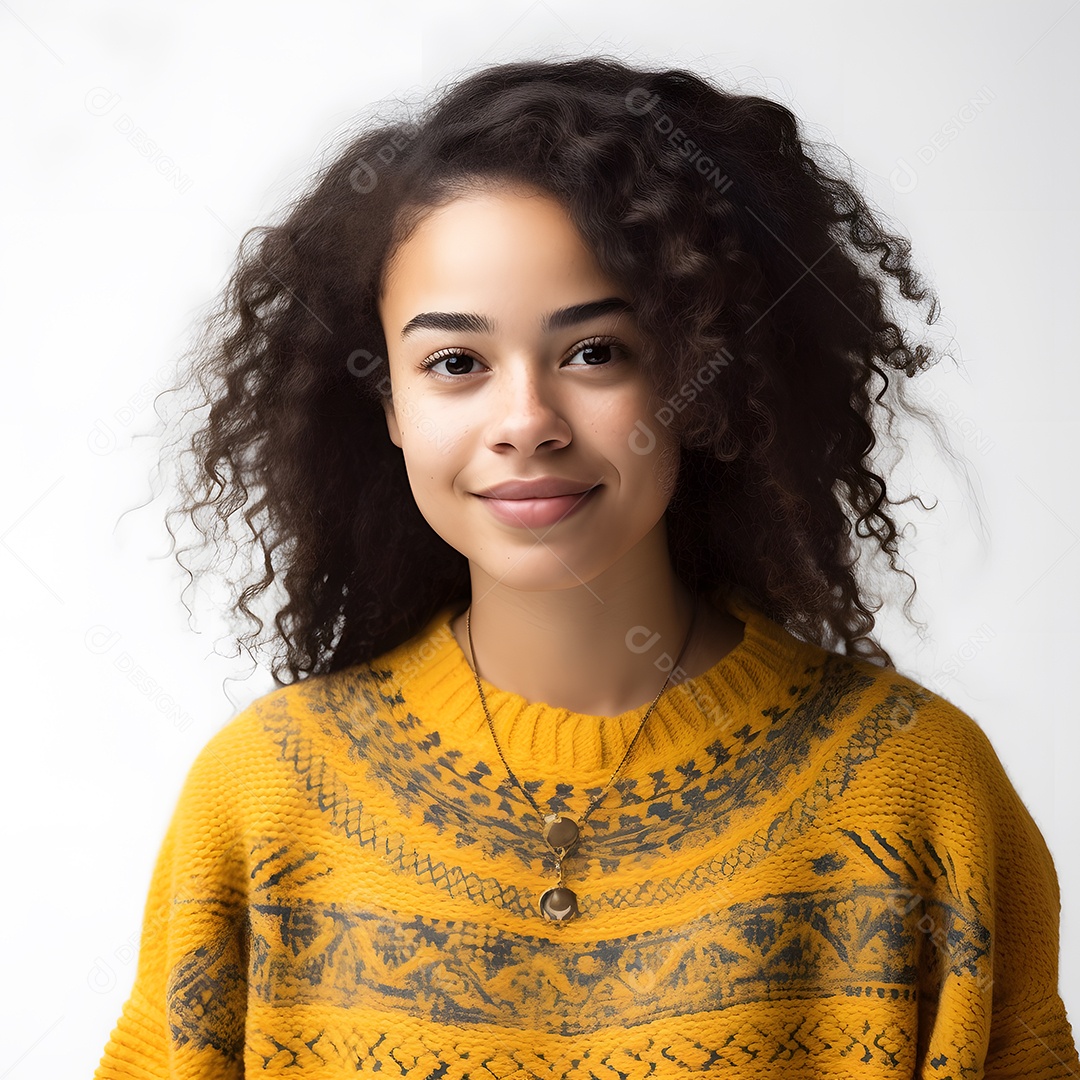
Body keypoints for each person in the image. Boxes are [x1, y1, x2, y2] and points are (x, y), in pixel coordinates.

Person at [94, 56, 1079, 1078]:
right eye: (455, 364)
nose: (525, 422)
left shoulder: (921, 796)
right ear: (388, 404)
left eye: (595, 352)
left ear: (701, 378)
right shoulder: (259, 803)